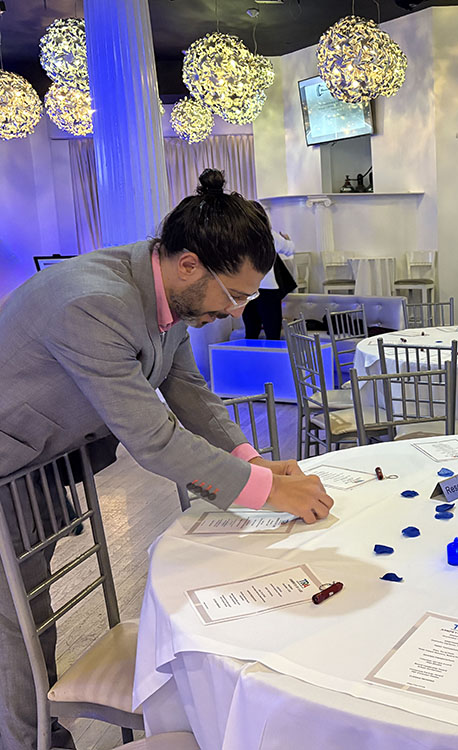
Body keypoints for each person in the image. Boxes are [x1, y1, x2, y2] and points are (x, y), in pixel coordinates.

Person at [0, 168, 334, 749]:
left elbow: (189, 393)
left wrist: (252, 461)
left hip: (42, 462)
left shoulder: (165, 294)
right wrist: (271, 492)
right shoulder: (91, 304)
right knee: (10, 629)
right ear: (188, 265)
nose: (237, 312)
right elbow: (154, 438)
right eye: (235, 295)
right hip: (8, 461)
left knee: (30, 609)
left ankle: (38, 726)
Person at [242, 225, 297, 340]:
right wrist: (287, 239)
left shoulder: (237, 232)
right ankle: (273, 357)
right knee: (272, 332)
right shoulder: (268, 234)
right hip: (268, 287)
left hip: (245, 288)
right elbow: (290, 250)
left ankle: (252, 357)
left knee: (251, 332)